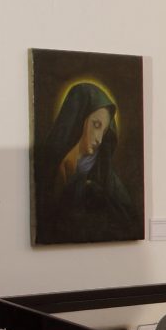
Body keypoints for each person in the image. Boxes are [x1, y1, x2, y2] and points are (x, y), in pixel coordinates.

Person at [37, 79, 138, 242]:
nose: (99, 139)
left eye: (104, 131)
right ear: (78, 118)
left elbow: (128, 225)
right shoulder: (44, 169)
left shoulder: (106, 182)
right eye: (96, 125)